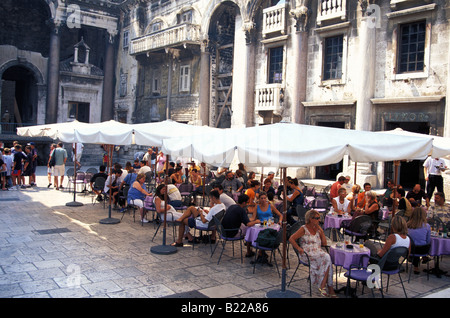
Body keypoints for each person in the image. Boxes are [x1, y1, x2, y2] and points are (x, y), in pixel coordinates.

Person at [289, 209, 336, 298]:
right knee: (326, 258)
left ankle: (324, 287)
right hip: (306, 253)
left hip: (318, 252)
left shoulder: (317, 229)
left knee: (327, 258)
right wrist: (298, 248)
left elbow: (324, 244)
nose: (319, 220)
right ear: (311, 219)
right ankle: (329, 288)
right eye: (317, 218)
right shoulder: (304, 228)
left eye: (319, 218)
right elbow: (291, 238)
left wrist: (321, 231)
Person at [407, 207, 431, 275]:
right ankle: (424, 257)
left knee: (414, 244)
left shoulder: (408, 225)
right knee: (421, 244)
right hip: (423, 250)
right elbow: (428, 240)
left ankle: (416, 267)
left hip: (411, 250)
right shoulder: (427, 226)